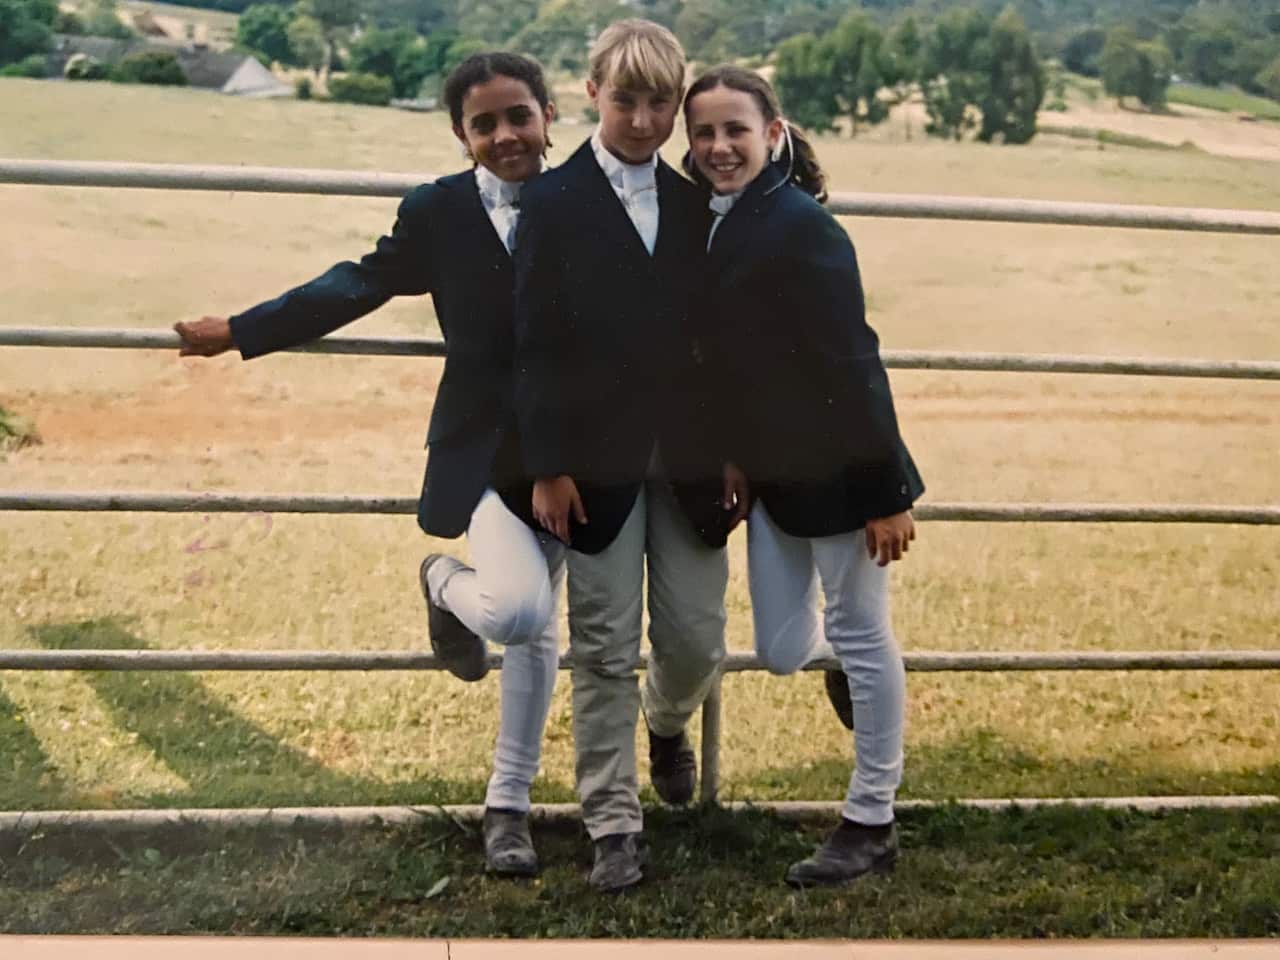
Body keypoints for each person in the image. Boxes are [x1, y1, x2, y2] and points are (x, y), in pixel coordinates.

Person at [173, 52, 566, 879]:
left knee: (542, 634)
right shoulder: (438, 212)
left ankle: (509, 806)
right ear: (461, 135)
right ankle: (440, 580)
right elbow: (359, 283)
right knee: (519, 613)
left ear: (549, 114)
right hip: (487, 449)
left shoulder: (587, 199)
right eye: (483, 123)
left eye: (518, 116)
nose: (505, 136)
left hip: (580, 450)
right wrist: (243, 329)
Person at [512, 20, 746, 893]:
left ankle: (668, 719)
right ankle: (611, 819)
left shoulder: (699, 204)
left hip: (690, 460)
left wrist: (733, 451)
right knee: (603, 641)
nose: (643, 122)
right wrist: (547, 462)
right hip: (590, 463)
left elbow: (719, 346)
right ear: (590, 95)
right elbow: (531, 342)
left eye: (658, 104)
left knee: (695, 637)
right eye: (625, 102)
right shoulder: (553, 200)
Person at [682, 65, 925, 888]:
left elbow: (854, 361)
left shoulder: (803, 228)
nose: (720, 146)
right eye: (706, 132)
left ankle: (871, 819)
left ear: (773, 135)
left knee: (861, 630)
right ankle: (857, 677)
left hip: (846, 475)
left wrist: (889, 493)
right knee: (783, 649)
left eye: (736, 131)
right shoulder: (718, 221)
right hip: (775, 478)